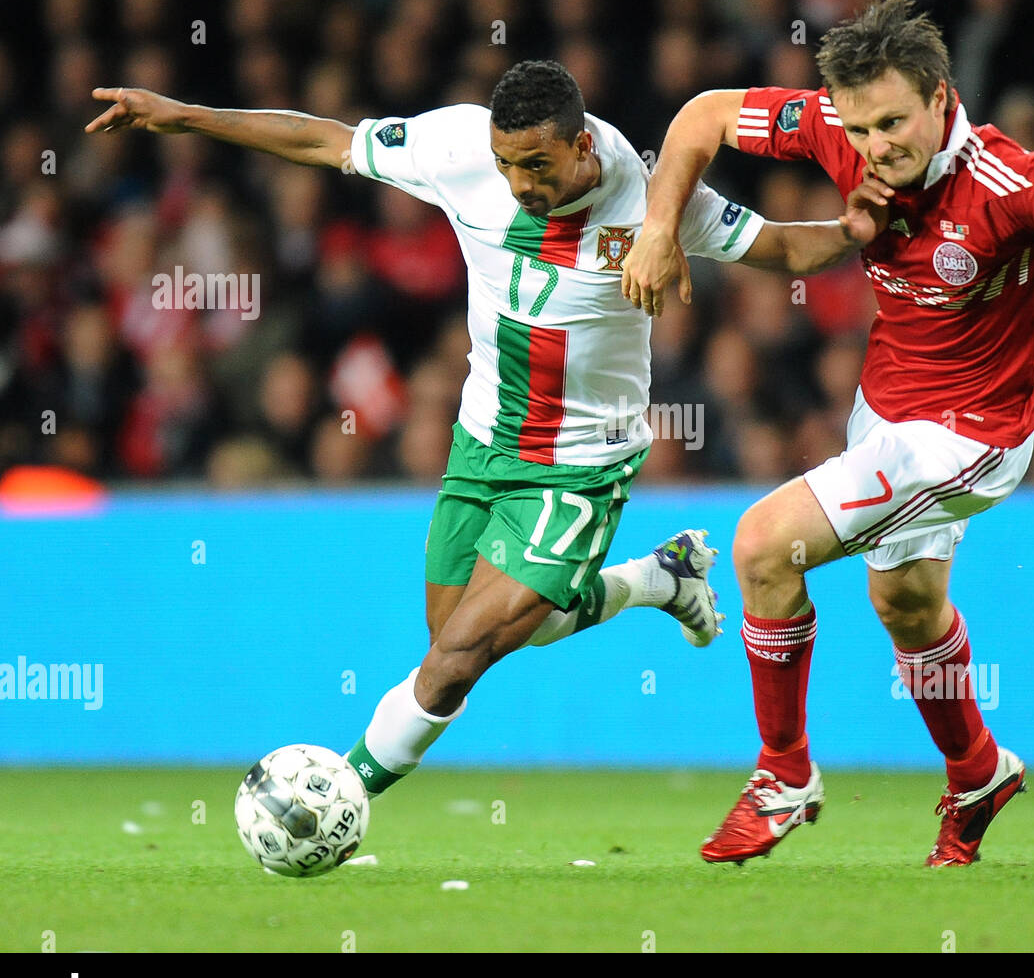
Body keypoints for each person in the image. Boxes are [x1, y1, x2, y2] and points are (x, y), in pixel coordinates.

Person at [86, 60, 878, 797]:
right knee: (461, 628)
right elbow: (321, 138)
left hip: (579, 463)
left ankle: (336, 799)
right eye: (506, 164)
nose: (517, 183)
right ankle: (657, 580)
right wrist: (185, 115)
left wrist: (850, 235)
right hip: (481, 439)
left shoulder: (651, 198)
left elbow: (774, 244)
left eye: (536, 166)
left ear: (581, 144)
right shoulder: (459, 146)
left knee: (457, 657)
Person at [622, 0, 1034, 866]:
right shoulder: (832, 122)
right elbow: (701, 117)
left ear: (940, 96)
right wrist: (659, 228)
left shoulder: (1012, 184)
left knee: (762, 545)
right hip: (885, 414)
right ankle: (978, 770)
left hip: (970, 437)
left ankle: (783, 773)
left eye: (893, 122)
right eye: (858, 129)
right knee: (906, 604)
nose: (874, 146)